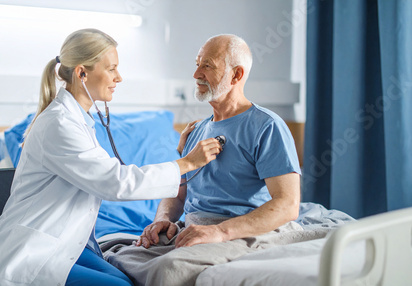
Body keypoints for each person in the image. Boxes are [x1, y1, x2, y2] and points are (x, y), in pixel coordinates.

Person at [0, 29, 222, 286]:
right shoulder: (59, 125)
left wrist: (178, 158)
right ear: (82, 73)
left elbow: (106, 174)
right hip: (32, 253)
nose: (119, 78)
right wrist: (187, 162)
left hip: (65, 242)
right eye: (112, 68)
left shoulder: (80, 120)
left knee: (124, 279)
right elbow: (114, 182)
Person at [106, 34, 303, 285]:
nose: (196, 73)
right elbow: (178, 194)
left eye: (207, 65)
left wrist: (219, 232)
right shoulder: (196, 131)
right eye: (197, 64)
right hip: (194, 229)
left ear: (236, 75)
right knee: (117, 255)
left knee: (169, 269)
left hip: (241, 231)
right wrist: (163, 220)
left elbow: (288, 205)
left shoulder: (267, 127)